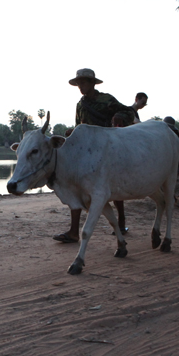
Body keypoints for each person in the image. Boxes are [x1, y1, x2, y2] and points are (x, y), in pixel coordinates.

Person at [53, 68, 135, 244]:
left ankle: (121, 221)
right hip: (86, 154)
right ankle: (73, 231)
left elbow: (129, 112)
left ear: (92, 83)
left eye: (83, 83)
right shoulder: (80, 105)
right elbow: (80, 127)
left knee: (113, 188)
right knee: (77, 188)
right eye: (78, 83)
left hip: (106, 150)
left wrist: (119, 116)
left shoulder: (106, 100)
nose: (80, 86)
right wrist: (73, 132)